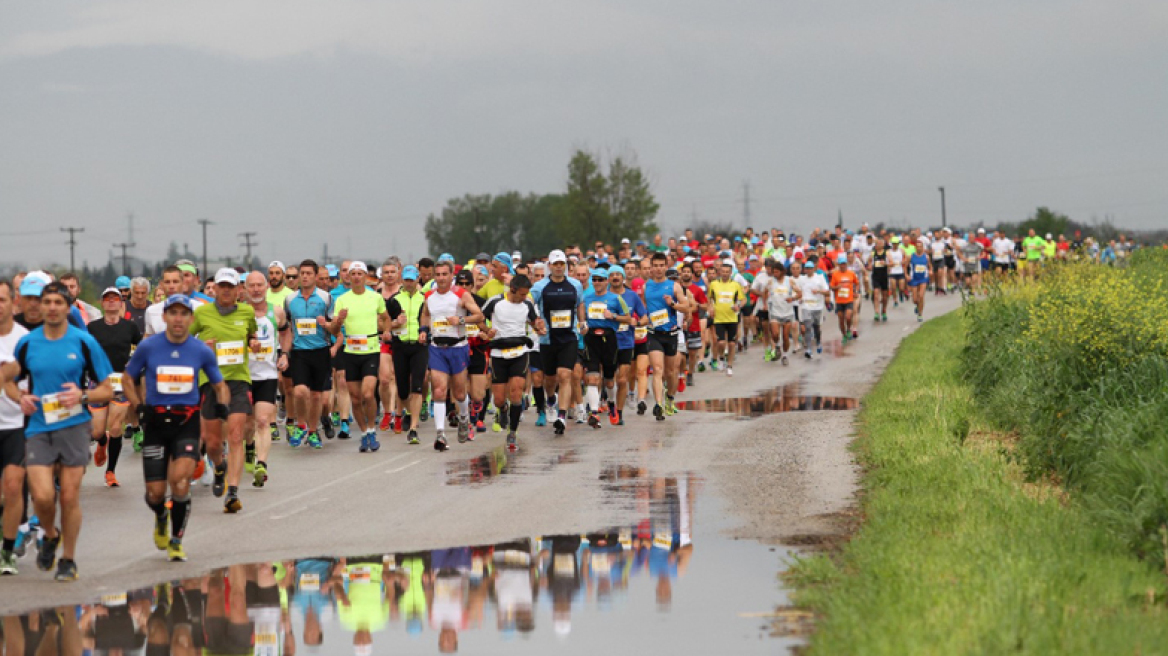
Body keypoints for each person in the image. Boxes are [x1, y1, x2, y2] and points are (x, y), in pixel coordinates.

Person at [6, 282, 115, 581]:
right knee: (42, 497)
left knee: (68, 496)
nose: (52, 307)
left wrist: (81, 396)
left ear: (68, 307)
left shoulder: (83, 342)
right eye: (47, 302)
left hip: (74, 427)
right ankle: (50, 534)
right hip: (39, 428)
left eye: (58, 302)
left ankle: (67, 558)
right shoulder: (28, 344)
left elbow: (106, 389)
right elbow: (9, 380)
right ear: (40, 307)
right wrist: (20, 398)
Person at [123, 294, 230, 562]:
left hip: (187, 423)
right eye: (174, 313)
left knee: (180, 481)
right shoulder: (149, 347)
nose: (179, 319)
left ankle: (176, 540)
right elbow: (127, 378)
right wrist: (139, 406)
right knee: (155, 493)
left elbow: (220, 385)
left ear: (191, 318)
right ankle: (161, 515)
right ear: (165, 317)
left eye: (184, 314)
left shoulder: (200, 350)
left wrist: (222, 407)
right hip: (156, 424)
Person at [189, 269, 259, 513]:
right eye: (222, 286)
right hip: (210, 381)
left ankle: (233, 491)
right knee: (212, 442)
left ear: (239, 289)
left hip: (238, 380)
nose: (227, 290)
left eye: (231, 286)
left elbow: (251, 334)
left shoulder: (247, 311)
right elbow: (181, 340)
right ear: (215, 288)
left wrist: (253, 342)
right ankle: (219, 466)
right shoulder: (202, 313)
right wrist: (200, 345)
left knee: (236, 435)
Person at [421, 260, 484, 451]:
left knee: (459, 392)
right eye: (437, 275)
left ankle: (464, 417)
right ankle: (440, 433)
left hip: (458, 347)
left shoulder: (461, 295)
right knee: (439, 390)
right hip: (437, 347)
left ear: (451, 276)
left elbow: (479, 315)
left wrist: (461, 319)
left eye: (444, 274)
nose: (441, 278)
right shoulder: (429, 296)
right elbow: (425, 314)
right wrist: (424, 329)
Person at [329, 262, 390, 452]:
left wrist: (387, 331)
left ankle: (372, 428)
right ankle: (363, 433)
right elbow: (333, 329)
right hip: (350, 352)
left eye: (359, 273)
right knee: (355, 398)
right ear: (348, 277)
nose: (356, 277)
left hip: (370, 349)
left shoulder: (375, 297)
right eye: (352, 273)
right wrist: (339, 320)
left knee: (367, 393)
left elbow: (386, 317)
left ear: (365, 276)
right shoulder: (341, 300)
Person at [481, 275, 546, 449]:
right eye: (522, 294)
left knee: (517, 391)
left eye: (527, 294)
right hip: (498, 353)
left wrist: (540, 328)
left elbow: (535, 323)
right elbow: (480, 318)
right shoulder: (496, 302)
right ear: (513, 290)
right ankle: (502, 411)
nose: (525, 297)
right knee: (499, 400)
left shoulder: (527, 305)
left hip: (520, 351)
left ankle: (512, 432)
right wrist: (487, 330)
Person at [87, 286, 142, 487]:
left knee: (117, 426)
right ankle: (102, 442)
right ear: (102, 303)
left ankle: (110, 471)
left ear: (121, 303)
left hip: (121, 381)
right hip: (98, 381)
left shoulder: (130, 327)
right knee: (97, 431)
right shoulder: (92, 328)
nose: (111, 301)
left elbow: (141, 347)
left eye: (115, 298)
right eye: (107, 298)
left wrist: (135, 368)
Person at [530, 250, 584, 436]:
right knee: (550, 379)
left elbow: (580, 304)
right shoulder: (540, 286)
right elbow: (528, 304)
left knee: (565, 375)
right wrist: (536, 321)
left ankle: (562, 416)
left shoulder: (575, 285)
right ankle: (551, 398)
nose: (559, 267)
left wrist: (583, 323)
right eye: (556, 264)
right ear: (550, 266)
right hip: (548, 339)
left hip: (569, 337)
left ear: (566, 266)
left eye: (562, 263)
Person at [281, 260, 334, 449]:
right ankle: (301, 424)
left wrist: (329, 324)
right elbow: (287, 328)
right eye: (301, 273)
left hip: (320, 350)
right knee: (300, 391)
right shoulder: (290, 300)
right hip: (299, 351)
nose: (304, 276)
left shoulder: (326, 298)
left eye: (308, 273)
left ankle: (313, 431)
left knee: (317, 396)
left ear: (316, 276)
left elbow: (334, 327)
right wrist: (284, 353)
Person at [243, 271, 286, 487]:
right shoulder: (239, 313)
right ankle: (248, 446)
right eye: (252, 286)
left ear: (267, 286)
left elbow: (286, 332)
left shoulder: (276, 312)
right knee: (247, 423)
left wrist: (285, 354)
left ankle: (261, 464)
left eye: (260, 285)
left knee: (262, 420)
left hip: (267, 375)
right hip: (243, 375)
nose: (257, 289)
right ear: (245, 288)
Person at [0, 278, 29, 574]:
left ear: (13, 303)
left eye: (2, 300)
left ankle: (7, 552)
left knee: (12, 487)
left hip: (17, 424)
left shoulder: (25, 340)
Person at [579, 266, 633, 427]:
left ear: (607, 281)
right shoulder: (586, 298)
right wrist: (582, 326)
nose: (597, 283)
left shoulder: (616, 298)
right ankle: (594, 413)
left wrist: (614, 316)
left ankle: (611, 403)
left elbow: (629, 318)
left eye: (600, 280)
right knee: (593, 378)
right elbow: (581, 317)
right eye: (594, 280)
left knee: (609, 381)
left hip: (609, 339)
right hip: (591, 339)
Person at [643, 253, 692, 419]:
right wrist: (643, 319)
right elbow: (643, 307)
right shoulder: (646, 286)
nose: (658, 268)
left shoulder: (674, 286)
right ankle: (658, 405)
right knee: (657, 369)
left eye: (660, 265)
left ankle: (670, 397)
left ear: (665, 266)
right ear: (651, 267)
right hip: (653, 333)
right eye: (654, 265)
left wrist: (672, 304)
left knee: (671, 372)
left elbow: (687, 308)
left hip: (671, 334)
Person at [386, 265, 428, 445]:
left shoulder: (425, 299)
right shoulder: (393, 300)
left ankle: (413, 427)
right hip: (400, 345)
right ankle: (408, 411)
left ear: (418, 279)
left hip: (419, 346)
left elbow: (431, 320)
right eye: (407, 280)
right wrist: (396, 323)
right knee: (403, 390)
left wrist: (426, 332)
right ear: (402, 280)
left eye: (412, 280)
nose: (409, 283)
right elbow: (383, 325)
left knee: (417, 386)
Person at [707, 260, 743, 377]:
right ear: (719, 272)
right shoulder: (714, 284)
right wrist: (711, 308)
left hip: (732, 318)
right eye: (723, 271)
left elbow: (743, 299)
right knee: (721, 342)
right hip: (719, 318)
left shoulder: (735, 285)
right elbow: (710, 299)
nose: (725, 273)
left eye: (727, 272)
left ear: (731, 273)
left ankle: (729, 366)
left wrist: (738, 306)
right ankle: (721, 358)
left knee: (732, 344)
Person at [761, 260, 797, 365]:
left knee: (785, 337)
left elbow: (800, 293)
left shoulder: (789, 281)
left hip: (787, 312)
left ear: (782, 271)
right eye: (773, 272)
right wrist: (765, 303)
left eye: (777, 272)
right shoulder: (771, 282)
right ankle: (777, 346)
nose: (775, 274)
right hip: (775, 312)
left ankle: (785, 355)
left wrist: (793, 298)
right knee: (775, 334)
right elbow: (764, 292)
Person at [793, 261, 829, 359]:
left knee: (816, 327)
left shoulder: (819, 278)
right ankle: (809, 349)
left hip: (817, 306)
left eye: (810, 268)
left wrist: (818, 291)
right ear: (805, 269)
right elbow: (798, 290)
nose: (808, 270)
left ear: (814, 269)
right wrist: (799, 298)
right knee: (807, 327)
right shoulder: (802, 279)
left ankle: (818, 342)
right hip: (806, 306)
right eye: (807, 268)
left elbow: (827, 291)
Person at [829, 254, 859, 342]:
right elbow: (831, 286)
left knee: (848, 316)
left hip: (849, 299)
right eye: (841, 264)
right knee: (841, 319)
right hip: (839, 300)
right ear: (838, 265)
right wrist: (837, 287)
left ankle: (849, 329)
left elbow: (857, 283)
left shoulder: (851, 273)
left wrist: (856, 292)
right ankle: (844, 334)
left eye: (844, 264)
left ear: (846, 264)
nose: (843, 265)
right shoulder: (835, 274)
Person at [908, 240, 932, 322]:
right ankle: (918, 306)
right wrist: (906, 275)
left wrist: (931, 271)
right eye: (917, 246)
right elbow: (905, 266)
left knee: (921, 296)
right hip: (914, 278)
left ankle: (920, 314)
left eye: (920, 246)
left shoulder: (926, 256)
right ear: (915, 248)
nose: (919, 248)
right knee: (915, 299)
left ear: (922, 247)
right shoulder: (911, 256)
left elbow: (930, 266)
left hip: (923, 278)